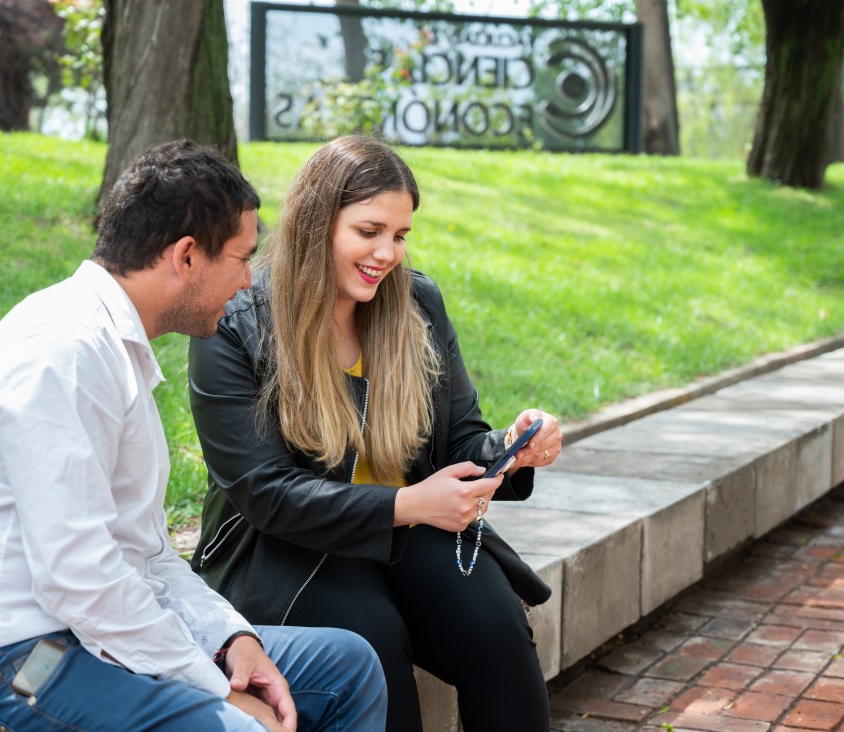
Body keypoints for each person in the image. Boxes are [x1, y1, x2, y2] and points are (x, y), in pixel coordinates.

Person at [0, 139, 388, 732]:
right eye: (242, 259)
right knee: (240, 728)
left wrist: (230, 638)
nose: (248, 284)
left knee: (347, 666)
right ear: (186, 256)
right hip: (9, 668)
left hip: (83, 640)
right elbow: (78, 576)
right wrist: (214, 687)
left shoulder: (117, 352)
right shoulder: (62, 350)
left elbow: (148, 557)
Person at [188, 134, 564, 731]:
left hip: (409, 530)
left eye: (401, 234)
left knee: (494, 626)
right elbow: (266, 493)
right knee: (375, 641)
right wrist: (413, 503)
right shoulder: (237, 322)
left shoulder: (417, 304)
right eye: (369, 232)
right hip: (288, 548)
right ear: (317, 224)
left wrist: (514, 447)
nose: (387, 253)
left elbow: (460, 442)